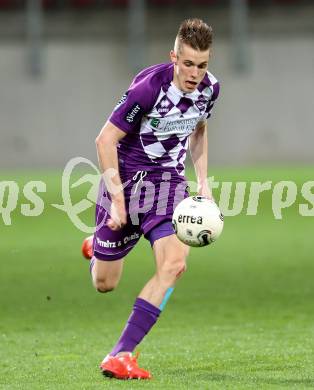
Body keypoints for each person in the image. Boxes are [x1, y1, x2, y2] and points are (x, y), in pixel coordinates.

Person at [82, 18, 220, 380]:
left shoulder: (210, 90)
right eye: (188, 64)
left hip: (169, 187)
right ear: (173, 57)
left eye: (202, 65)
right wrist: (116, 201)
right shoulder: (148, 88)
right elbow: (105, 141)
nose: (194, 74)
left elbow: (199, 130)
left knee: (175, 264)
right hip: (126, 184)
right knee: (104, 283)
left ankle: (121, 354)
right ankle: (94, 246)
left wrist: (203, 183)